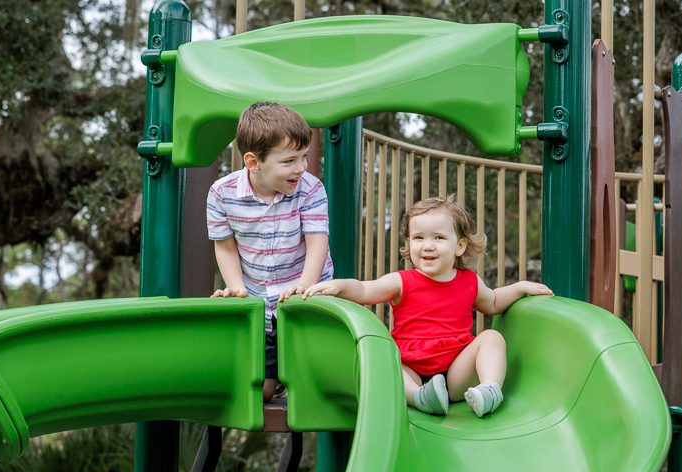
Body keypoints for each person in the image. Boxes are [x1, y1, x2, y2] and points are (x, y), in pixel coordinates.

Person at [302, 196, 553, 418]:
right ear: (409, 243)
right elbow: (366, 290)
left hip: (455, 372)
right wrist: (338, 286)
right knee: (387, 359)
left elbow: (494, 302)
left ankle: (489, 390)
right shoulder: (402, 281)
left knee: (492, 337)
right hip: (412, 369)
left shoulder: (470, 282)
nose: (428, 245)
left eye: (439, 238)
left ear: (460, 247)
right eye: (419, 238)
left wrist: (519, 287)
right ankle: (420, 398)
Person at [207, 102, 333, 401]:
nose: (301, 167)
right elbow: (225, 247)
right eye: (289, 160)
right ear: (253, 162)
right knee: (260, 392)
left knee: (311, 386)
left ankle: (299, 375)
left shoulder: (310, 189)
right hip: (258, 299)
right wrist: (236, 288)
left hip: (304, 296)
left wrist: (307, 285)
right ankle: (272, 379)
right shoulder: (222, 194)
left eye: (304, 157)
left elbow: (317, 241)